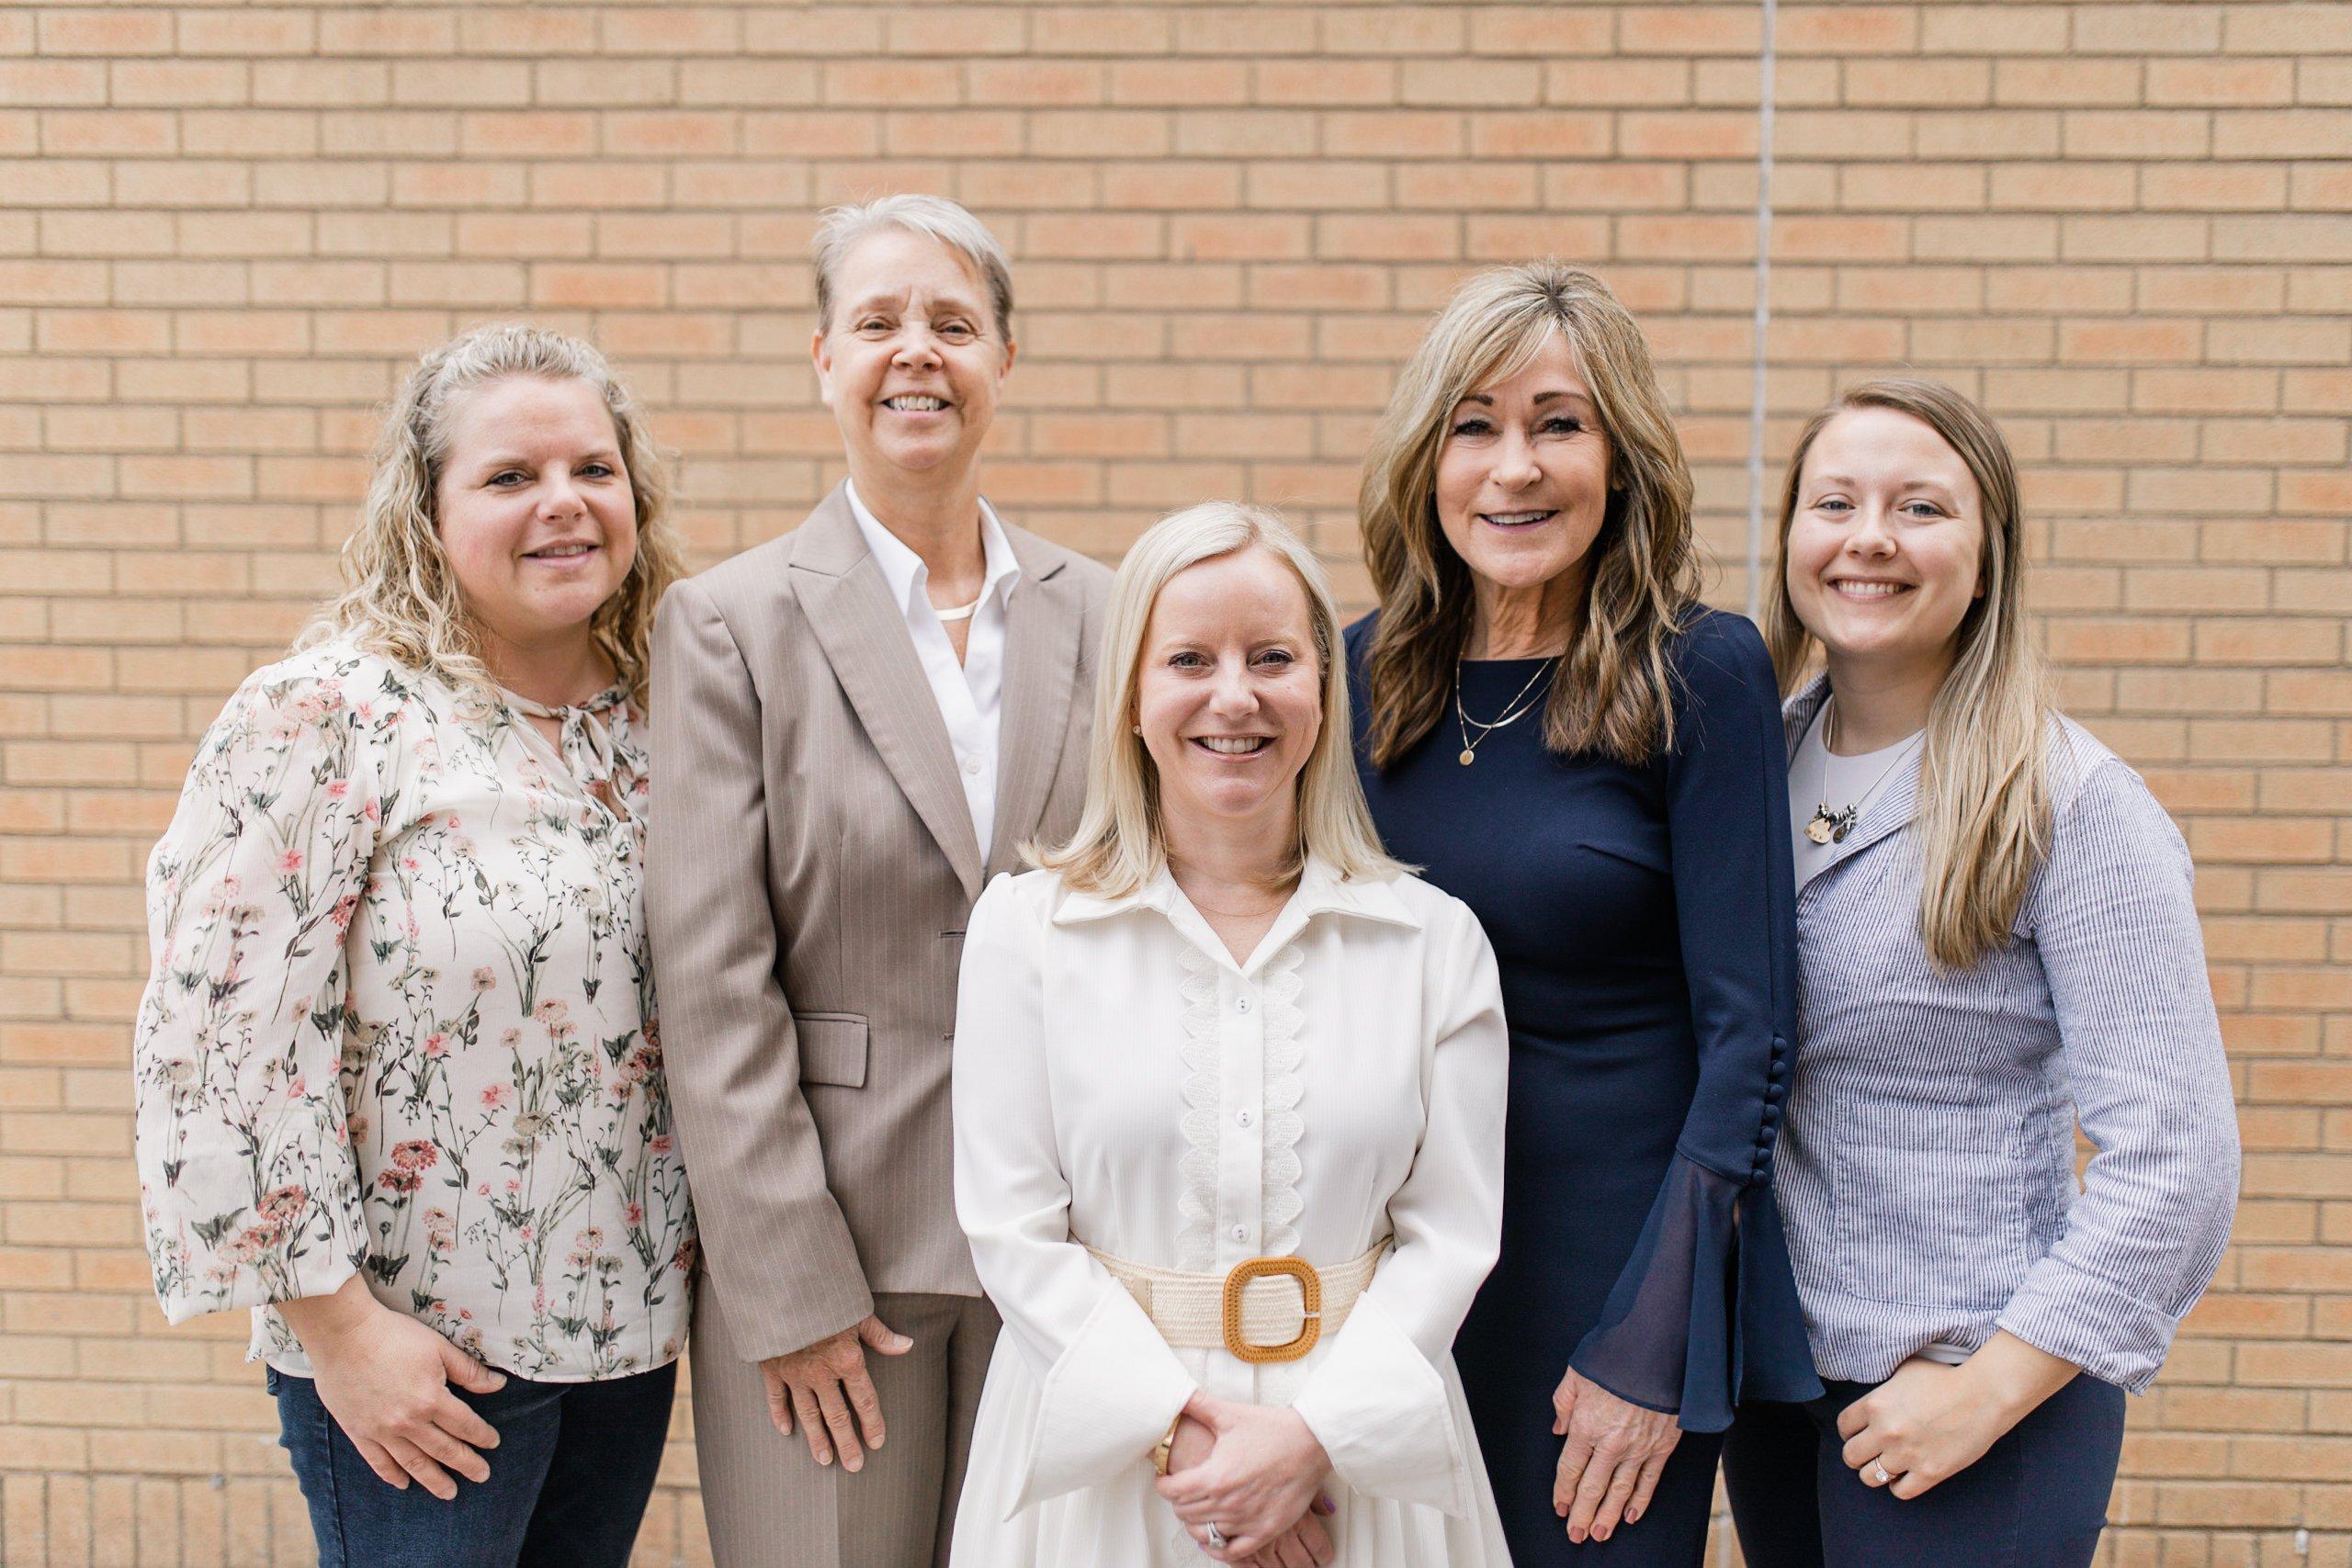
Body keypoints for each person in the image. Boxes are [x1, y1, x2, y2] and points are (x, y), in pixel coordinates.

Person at [131, 323, 693, 1567]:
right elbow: (216, 1038)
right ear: (427, 509)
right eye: (509, 477)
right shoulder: (331, 711)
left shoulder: (662, 719)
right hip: (417, 1351)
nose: (564, 504)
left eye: (595, 470)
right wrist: (337, 1329)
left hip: (624, 1337)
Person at [648, 195, 1114, 1568]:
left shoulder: (1107, 606)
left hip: (1072, 1243)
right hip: (834, 1248)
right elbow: (711, 972)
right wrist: (784, 1280)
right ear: (824, 360)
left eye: (953, 323)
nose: (917, 352)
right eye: (879, 321)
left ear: (1003, 363)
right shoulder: (731, 622)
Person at [1344, 260, 1822, 1565]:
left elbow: (1750, 1036)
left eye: (1561, 421)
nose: (1516, 467)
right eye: (1475, 424)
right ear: (1425, 458)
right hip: (1384, 1286)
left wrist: (1652, 1335)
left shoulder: (1698, 670)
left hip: (1607, 1286)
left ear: (1621, 458)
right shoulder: (1352, 676)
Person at [1717, 379, 2241, 1567]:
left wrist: (1994, 1384)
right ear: (1791, 532)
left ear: (1989, 547)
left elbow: (2180, 1154)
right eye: (1834, 500)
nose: (1869, 537)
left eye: (1921, 506)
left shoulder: (2070, 801)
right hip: (1780, 1377)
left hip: (1967, 1393)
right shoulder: (1752, 763)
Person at [946, 502, 1513, 1566]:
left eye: (1272, 657)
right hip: (1113, 1473)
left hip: (1354, 1468)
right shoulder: (1027, 932)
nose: (1234, 696)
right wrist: (1195, 1443)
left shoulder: (1432, 945)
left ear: (1322, 690)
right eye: (1189, 660)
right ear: (1131, 696)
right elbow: (1012, 1231)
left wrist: (1310, 1444)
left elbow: (1451, 1238)